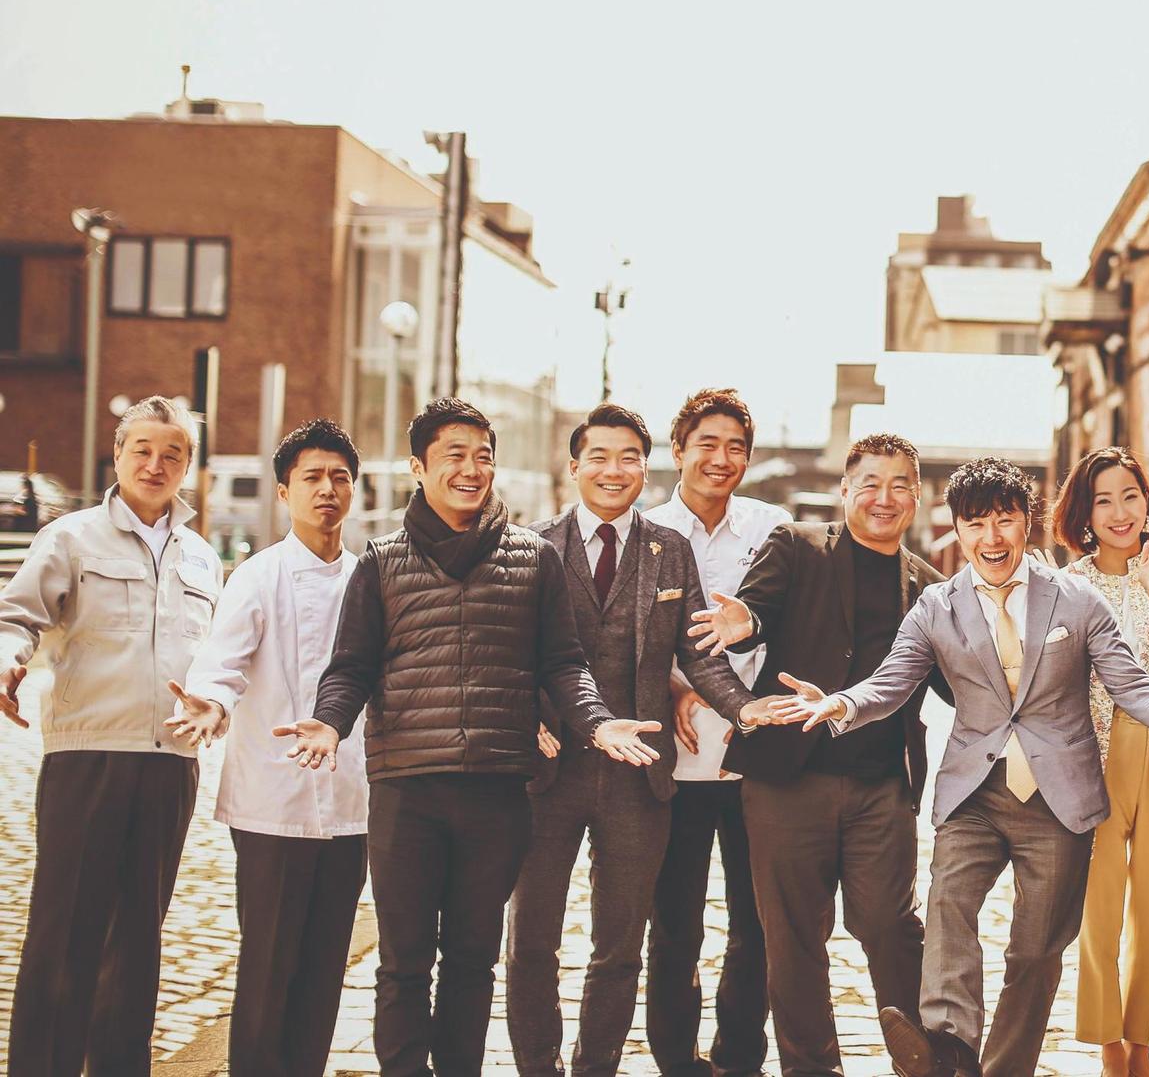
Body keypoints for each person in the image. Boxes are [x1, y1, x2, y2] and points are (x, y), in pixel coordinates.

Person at [774, 457, 1149, 1077]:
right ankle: (950, 1045)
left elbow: (1131, 684)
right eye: (976, 524)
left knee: (1035, 953)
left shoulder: (1076, 599)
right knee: (949, 908)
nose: (992, 538)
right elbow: (890, 682)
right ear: (957, 529)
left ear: (1027, 523)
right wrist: (841, 703)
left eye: (1004, 521)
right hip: (974, 794)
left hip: (1059, 799)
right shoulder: (935, 606)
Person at [276, 397, 665, 1077]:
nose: (471, 469)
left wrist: (597, 721)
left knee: (473, 961)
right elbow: (352, 667)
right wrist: (330, 721)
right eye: (454, 455)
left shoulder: (534, 559)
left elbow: (563, 664)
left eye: (483, 456)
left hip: (497, 790)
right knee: (402, 964)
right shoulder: (382, 562)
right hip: (407, 790)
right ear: (417, 468)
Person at [678, 433, 945, 1077]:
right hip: (787, 781)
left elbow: (964, 684)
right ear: (845, 489)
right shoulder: (797, 545)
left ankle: (922, 1060)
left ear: (916, 497)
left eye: (899, 486)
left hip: (882, 785)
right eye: (870, 484)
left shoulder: (932, 589)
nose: (883, 498)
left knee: (890, 926)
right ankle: (811, 1068)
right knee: (792, 939)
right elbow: (757, 610)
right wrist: (745, 622)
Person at [0, 395, 220, 1077]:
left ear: (187, 465)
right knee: (66, 931)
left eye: (172, 454)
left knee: (138, 942)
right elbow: (17, 616)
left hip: (170, 765)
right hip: (88, 758)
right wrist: (6, 660)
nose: (156, 464)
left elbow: (217, 660)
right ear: (118, 456)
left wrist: (218, 708)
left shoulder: (202, 558)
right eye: (142, 450)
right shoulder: (71, 538)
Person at [504, 403, 712, 1076]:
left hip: (639, 776)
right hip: (546, 774)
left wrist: (744, 707)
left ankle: (596, 1067)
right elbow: (502, 653)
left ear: (646, 470)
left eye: (629, 458)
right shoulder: (531, 546)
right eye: (598, 456)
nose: (613, 470)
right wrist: (522, 715)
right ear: (574, 466)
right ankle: (538, 1066)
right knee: (530, 940)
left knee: (620, 947)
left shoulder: (669, 549)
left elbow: (698, 654)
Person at [167, 419, 371, 1077]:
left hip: (351, 802)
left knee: (325, 965)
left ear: (355, 490)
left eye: (339, 477)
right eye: (312, 477)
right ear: (285, 491)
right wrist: (209, 702)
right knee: (268, 964)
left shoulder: (370, 580)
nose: (327, 489)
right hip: (272, 803)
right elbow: (221, 662)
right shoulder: (258, 576)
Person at [1051, 447, 1149, 1077]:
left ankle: (1142, 1046)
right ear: (1085, 513)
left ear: (1147, 502)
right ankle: (1108, 1046)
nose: (1120, 512)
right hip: (1093, 762)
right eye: (1104, 500)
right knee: (1099, 911)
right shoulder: (1070, 582)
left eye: (1130, 496)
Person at [646, 388, 789, 1077]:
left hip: (749, 756)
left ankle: (740, 1056)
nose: (721, 458)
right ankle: (676, 1059)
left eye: (736, 447)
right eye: (707, 443)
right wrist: (673, 686)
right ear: (678, 451)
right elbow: (621, 640)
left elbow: (790, 625)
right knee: (673, 923)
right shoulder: (645, 530)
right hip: (671, 759)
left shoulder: (772, 529)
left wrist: (753, 710)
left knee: (754, 922)